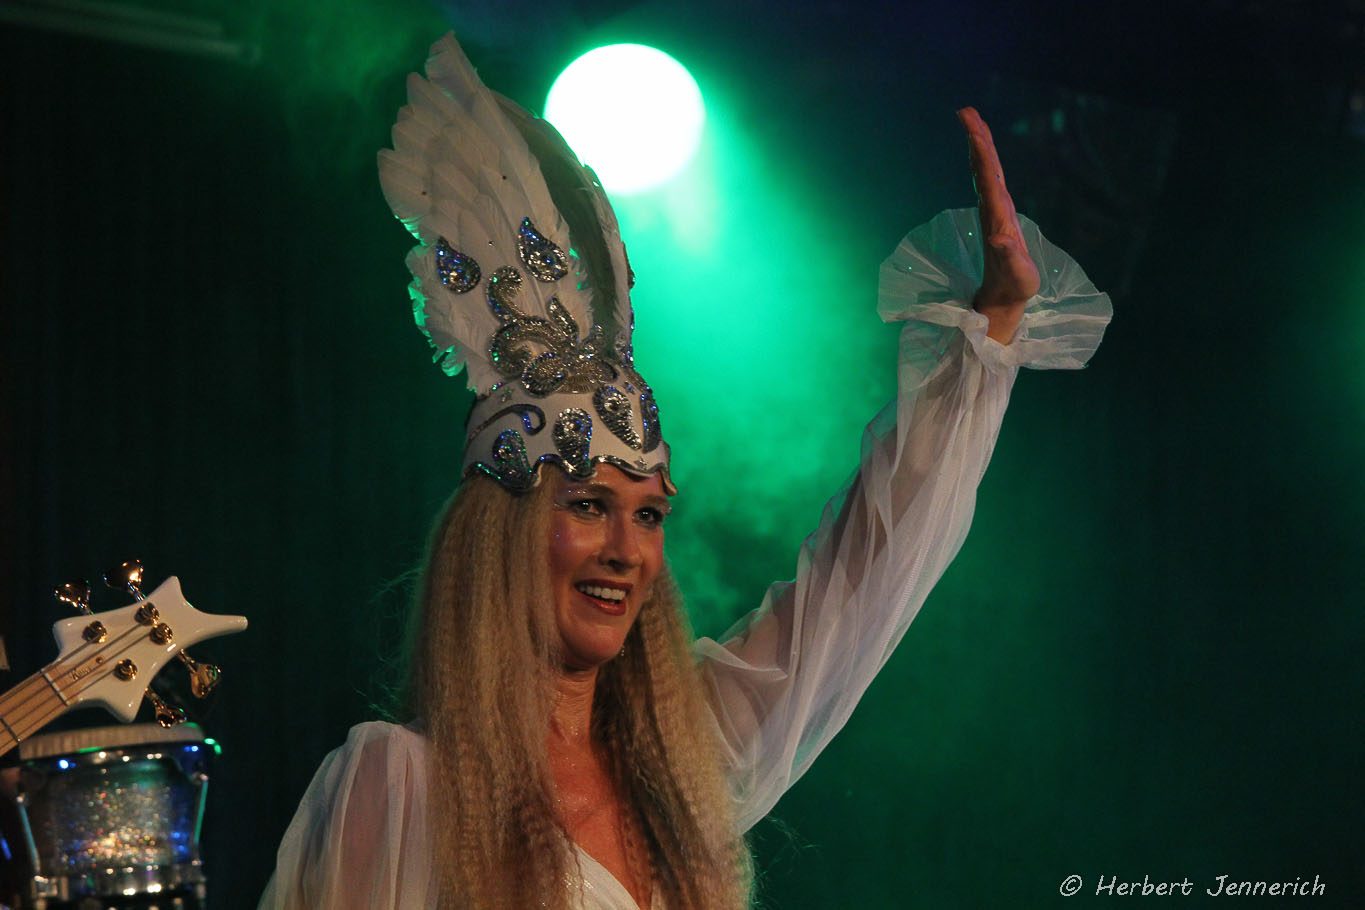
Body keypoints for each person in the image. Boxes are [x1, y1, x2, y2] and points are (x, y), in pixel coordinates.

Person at [258, 33, 1111, 910]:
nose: (625, 550)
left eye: (648, 514)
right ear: (499, 530)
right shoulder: (403, 780)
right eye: (588, 504)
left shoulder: (682, 765)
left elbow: (860, 582)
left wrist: (987, 334)